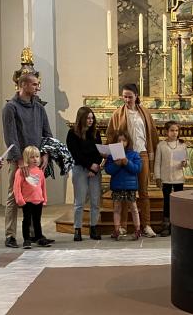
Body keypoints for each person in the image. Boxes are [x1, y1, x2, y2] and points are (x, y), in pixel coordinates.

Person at [2, 72, 53, 247]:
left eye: (37, 84)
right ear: (23, 85)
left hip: (36, 161)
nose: (38, 87)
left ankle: (33, 234)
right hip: (19, 160)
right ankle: (10, 235)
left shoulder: (39, 107)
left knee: (34, 196)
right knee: (14, 195)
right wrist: (19, 159)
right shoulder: (11, 107)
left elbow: (47, 133)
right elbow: (11, 136)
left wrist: (46, 153)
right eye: (34, 84)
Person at [106, 84, 159, 237]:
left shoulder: (145, 113)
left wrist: (153, 152)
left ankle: (146, 225)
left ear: (136, 96)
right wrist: (110, 154)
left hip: (141, 154)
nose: (127, 99)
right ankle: (122, 226)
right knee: (123, 191)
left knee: (143, 191)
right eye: (125, 96)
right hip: (125, 155)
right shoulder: (117, 114)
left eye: (130, 96)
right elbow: (111, 135)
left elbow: (152, 134)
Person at [66, 106, 103, 242]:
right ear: (81, 118)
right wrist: (89, 166)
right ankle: (77, 229)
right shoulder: (72, 133)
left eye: (92, 118)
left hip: (95, 171)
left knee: (95, 201)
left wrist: (95, 167)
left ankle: (93, 227)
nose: (90, 120)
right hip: (80, 169)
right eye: (88, 118)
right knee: (79, 201)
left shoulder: (95, 133)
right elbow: (75, 154)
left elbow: (99, 152)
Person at [105, 126, 143, 240]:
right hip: (117, 185)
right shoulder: (112, 155)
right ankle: (116, 230)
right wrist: (116, 164)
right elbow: (108, 170)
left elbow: (137, 169)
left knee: (134, 208)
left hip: (130, 186)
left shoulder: (134, 154)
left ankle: (137, 230)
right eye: (119, 140)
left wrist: (127, 162)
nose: (122, 143)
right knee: (117, 208)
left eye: (124, 140)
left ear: (128, 142)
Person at [154, 120, 188, 235]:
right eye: (172, 130)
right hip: (166, 178)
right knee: (167, 202)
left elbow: (186, 162)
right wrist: (158, 177)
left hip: (178, 178)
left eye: (176, 130)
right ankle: (166, 225)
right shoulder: (161, 145)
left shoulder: (182, 145)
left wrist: (184, 163)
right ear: (166, 132)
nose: (174, 133)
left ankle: (178, 225)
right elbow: (157, 162)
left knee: (178, 202)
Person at [13, 145, 51, 249]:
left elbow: (43, 187)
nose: (35, 159)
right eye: (32, 157)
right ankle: (27, 239)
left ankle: (39, 237)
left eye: (37, 156)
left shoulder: (40, 171)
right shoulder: (21, 171)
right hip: (27, 201)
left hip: (38, 200)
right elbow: (17, 187)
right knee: (27, 220)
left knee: (37, 220)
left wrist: (44, 198)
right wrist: (20, 200)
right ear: (26, 158)